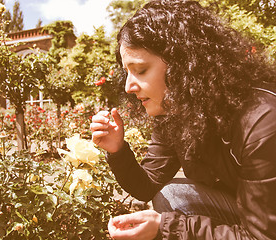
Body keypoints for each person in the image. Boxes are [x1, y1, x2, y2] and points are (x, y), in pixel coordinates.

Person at [90, 0, 276, 239]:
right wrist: (117, 150)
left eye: (141, 70)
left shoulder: (262, 120)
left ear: (182, 64)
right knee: (174, 195)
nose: (128, 86)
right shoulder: (179, 112)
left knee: (174, 208)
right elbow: (147, 186)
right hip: (251, 213)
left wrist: (168, 227)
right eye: (127, 72)